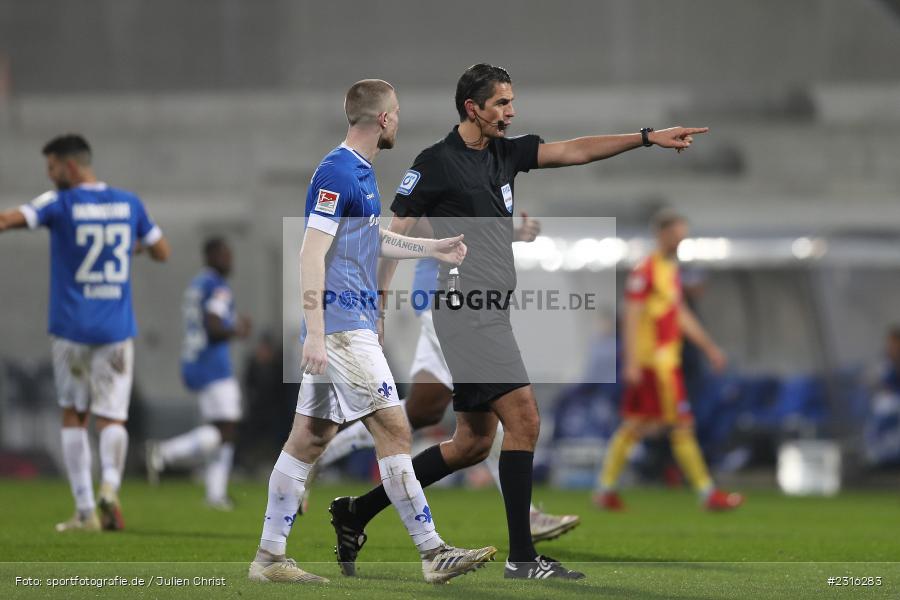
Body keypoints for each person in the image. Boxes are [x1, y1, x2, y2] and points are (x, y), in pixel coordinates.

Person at [328, 62, 710, 581]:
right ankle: (523, 558)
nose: (511, 112)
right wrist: (378, 300)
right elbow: (394, 233)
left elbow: (575, 150)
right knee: (525, 419)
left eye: (512, 102)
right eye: (502, 103)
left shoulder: (505, 154)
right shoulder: (435, 163)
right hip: (465, 309)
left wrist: (646, 138)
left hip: (491, 311)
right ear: (473, 108)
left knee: (471, 444)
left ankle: (357, 511)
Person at [248, 79, 496, 585]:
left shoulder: (360, 173)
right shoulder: (337, 171)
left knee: (309, 439)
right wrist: (315, 332)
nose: (399, 119)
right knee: (395, 431)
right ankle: (433, 552)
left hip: (347, 325)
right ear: (383, 118)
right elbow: (310, 252)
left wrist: (432, 248)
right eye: (396, 112)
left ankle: (269, 559)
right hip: (342, 329)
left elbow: (369, 239)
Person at [316, 213, 581, 543]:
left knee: (423, 412)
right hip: (446, 303)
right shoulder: (431, 180)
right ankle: (526, 519)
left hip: (463, 305)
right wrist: (379, 305)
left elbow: (468, 232)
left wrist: (506, 234)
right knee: (494, 417)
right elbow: (412, 225)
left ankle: (322, 458)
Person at [0, 134, 170, 531]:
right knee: (112, 416)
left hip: (72, 329)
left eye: (52, 167)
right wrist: (128, 248)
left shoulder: (59, 202)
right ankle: (109, 487)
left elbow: (8, 220)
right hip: (115, 329)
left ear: (70, 166)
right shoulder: (129, 203)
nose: (50, 175)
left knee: (75, 415)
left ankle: (84, 509)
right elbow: (162, 251)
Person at [594, 210, 743, 511]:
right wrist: (631, 362)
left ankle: (605, 489)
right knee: (680, 426)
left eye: (683, 236)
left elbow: (680, 314)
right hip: (654, 365)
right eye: (676, 235)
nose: (680, 241)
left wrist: (709, 348)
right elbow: (632, 315)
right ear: (661, 234)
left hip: (665, 363)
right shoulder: (646, 270)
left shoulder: (669, 269)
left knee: (637, 425)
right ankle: (707, 494)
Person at [145, 237, 250, 509]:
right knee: (225, 430)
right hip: (213, 364)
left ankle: (216, 494)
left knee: (220, 430)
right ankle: (164, 453)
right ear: (211, 257)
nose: (230, 260)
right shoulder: (216, 285)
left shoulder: (197, 284)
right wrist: (237, 329)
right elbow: (213, 326)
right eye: (224, 255)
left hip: (195, 361)